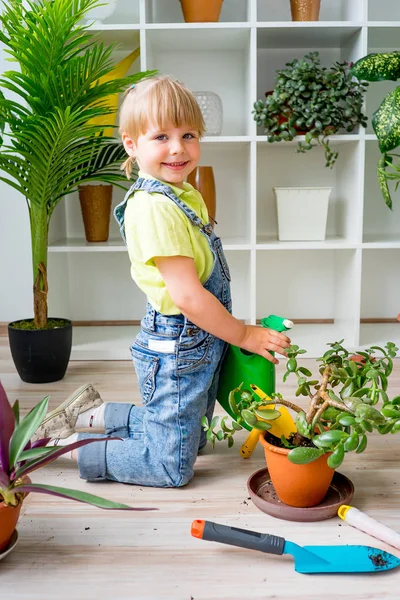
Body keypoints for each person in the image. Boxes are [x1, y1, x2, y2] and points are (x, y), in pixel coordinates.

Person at [35, 76, 291, 487]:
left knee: (196, 438)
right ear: (132, 144)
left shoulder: (182, 193)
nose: (178, 148)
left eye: (188, 134)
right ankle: (80, 447)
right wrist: (242, 333)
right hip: (177, 349)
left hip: (199, 343)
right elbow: (189, 296)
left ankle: (95, 415)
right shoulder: (154, 207)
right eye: (161, 136)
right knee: (171, 468)